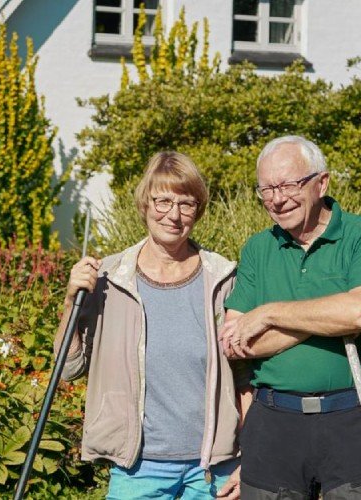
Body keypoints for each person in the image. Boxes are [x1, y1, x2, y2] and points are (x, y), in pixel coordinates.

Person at [55, 151, 250, 500]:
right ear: (145, 204)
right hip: (137, 469)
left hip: (211, 470)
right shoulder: (109, 279)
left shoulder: (222, 279)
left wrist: (248, 457)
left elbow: (245, 378)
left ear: (198, 211)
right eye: (163, 201)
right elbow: (68, 368)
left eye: (186, 204)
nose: (173, 215)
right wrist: (71, 301)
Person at [219, 135, 361, 499]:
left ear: (322, 182)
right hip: (274, 422)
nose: (277, 198)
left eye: (288, 184)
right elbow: (236, 341)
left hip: (354, 417)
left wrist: (270, 313)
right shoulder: (258, 248)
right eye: (266, 189)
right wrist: (328, 316)